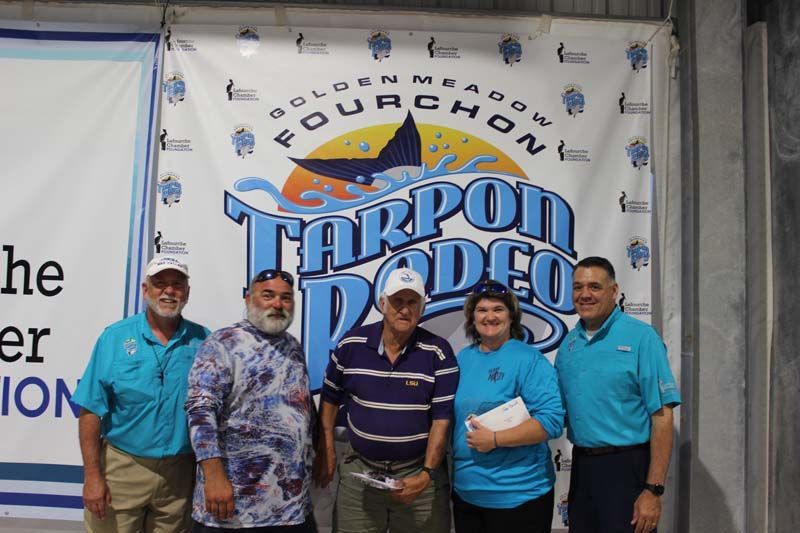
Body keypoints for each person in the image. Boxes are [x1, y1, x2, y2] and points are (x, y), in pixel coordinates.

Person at [314, 268, 459, 533]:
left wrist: (426, 474)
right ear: (382, 304)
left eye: (412, 302)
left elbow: (442, 420)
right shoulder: (351, 344)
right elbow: (329, 398)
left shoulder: (439, 352)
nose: (404, 310)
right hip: (360, 472)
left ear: (422, 308)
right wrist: (327, 449)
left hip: (418, 472)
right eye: (397, 301)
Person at [73, 256, 209, 532]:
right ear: (145, 290)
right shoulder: (114, 338)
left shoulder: (205, 341)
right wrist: (92, 476)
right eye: (159, 284)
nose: (168, 291)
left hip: (179, 474)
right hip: (122, 468)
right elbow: (89, 410)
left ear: (187, 293)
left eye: (177, 284)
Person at [555, 257, 680, 533]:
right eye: (578, 287)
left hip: (628, 469)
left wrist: (653, 489)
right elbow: (557, 414)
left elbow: (662, 417)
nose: (585, 294)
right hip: (582, 469)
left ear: (614, 291)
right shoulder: (569, 345)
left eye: (594, 287)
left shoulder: (642, 338)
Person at [185, 269, 316, 532]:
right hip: (235, 507)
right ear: (248, 299)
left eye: (285, 298)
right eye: (268, 295)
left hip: (290, 507)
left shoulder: (293, 346)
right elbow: (200, 411)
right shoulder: (223, 343)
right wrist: (214, 477)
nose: (278, 304)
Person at [451, 280, 564, 533]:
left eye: (498, 309)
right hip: (467, 495)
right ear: (472, 317)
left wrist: (495, 439)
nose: (489, 316)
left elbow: (552, 421)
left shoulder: (529, 360)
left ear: (512, 316)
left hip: (520, 496)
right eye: (482, 310)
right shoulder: (462, 359)